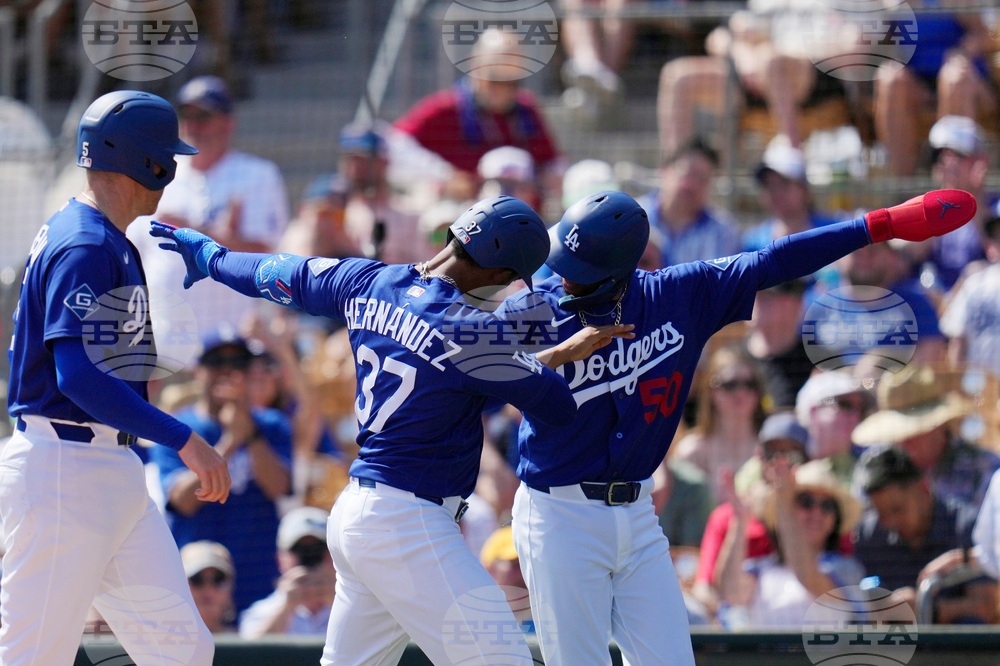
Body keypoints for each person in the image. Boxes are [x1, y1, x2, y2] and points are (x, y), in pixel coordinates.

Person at [496, 187, 975, 665]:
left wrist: (876, 226)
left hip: (637, 513)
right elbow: (473, 373)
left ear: (621, 270)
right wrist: (553, 357)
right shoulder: (535, 310)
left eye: (577, 269)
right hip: (559, 514)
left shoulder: (677, 294)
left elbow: (774, 261)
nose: (563, 276)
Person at [148, 194, 633, 664]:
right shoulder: (476, 333)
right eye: (510, 279)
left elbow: (276, 271)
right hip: (409, 522)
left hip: (361, 512)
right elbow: (557, 406)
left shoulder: (369, 279)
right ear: (498, 274)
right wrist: (533, 342)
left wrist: (210, 257)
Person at [0, 90, 231, 665]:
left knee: (182, 652)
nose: (171, 171)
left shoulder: (101, 236)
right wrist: (183, 438)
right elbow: (77, 377)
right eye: (166, 158)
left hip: (109, 469)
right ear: (144, 161)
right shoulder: (85, 242)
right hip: (64, 470)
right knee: (32, 658)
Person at [127, 74, 291, 335]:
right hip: (163, 338)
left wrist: (194, 232)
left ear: (228, 123)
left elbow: (265, 255)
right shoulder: (158, 175)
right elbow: (132, 253)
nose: (193, 125)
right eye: (187, 115)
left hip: (229, 338)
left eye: (203, 116)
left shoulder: (257, 175)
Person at [151, 327, 293, 613]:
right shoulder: (175, 428)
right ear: (198, 371)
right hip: (198, 582)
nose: (228, 372)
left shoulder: (272, 424)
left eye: (238, 363)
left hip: (258, 580)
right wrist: (231, 441)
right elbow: (182, 500)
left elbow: (279, 488)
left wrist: (249, 433)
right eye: (217, 363)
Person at [716, 459, 863, 627]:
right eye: (806, 502)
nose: (816, 513)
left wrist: (784, 500)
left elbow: (806, 576)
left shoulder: (845, 569)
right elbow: (731, 594)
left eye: (827, 506)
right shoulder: (761, 570)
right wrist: (740, 520)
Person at [852, 363, 1000, 512]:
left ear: (940, 425)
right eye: (897, 434)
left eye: (915, 432)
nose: (905, 441)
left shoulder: (985, 468)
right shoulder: (874, 465)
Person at [853, 447, 979, 612]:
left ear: (923, 488)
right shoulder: (869, 536)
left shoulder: (966, 526)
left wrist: (925, 609)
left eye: (897, 509)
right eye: (881, 514)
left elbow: (986, 605)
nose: (890, 522)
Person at [671, 345, 767, 501]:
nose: (741, 392)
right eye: (730, 385)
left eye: (749, 384)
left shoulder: (770, 448)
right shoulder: (691, 452)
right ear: (711, 391)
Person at [636, 139, 741, 268]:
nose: (693, 185)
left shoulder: (723, 233)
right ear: (664, 171)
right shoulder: (631, 218)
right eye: (688, 174)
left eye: (702, 179)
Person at [239, 506, 336, 638]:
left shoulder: (356, 605)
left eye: (317, 549)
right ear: (280, 559)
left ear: (333, 555)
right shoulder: (260, 613)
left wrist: (338, 603)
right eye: (299, 550)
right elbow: (250, 650)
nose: (309, 558)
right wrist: (287, 607)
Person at [181, 540, 238, 634]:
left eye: (218, 580)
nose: (208, 591)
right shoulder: (159, 640)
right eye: (197, 579)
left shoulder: (249, 639)